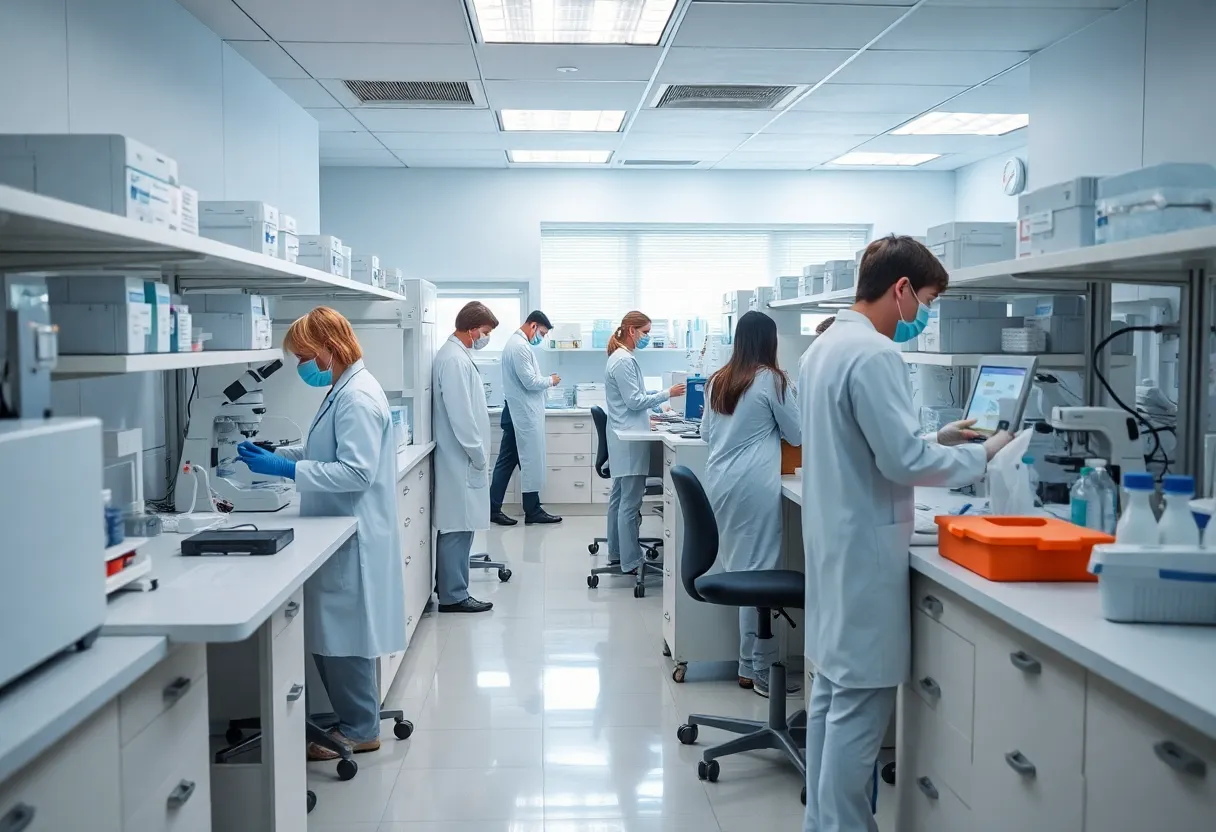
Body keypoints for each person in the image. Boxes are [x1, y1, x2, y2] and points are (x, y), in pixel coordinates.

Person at [798, 235, 1013, 832]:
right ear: (900, 290)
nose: (926, 314)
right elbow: (902, 464)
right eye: (928, 300)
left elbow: (867, 443)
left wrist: (936, 442)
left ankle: (823, 824)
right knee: (858, 710)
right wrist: (985, 455)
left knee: (831, 702)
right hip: (862, 554)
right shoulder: (874, 355)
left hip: (837, 542)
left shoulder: (826, 347)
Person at [237, 306, 403, 760]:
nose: (302, 366)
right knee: (341, 633)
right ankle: (356, 718)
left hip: (354, 532)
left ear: (330, 348)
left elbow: (354, 471)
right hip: (342, 527)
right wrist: (278, 453)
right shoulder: (342, 389)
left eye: (306, 355)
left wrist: (287, 469)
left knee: (344, 636)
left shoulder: (356, 397)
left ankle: (359, 729)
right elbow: (322, 448)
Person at [701, 310, 802, 699]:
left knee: (742, 568)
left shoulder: (719, 380)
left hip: (721, 480)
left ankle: (751, 664)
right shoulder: (772, 380)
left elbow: (707, 433)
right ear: (769, 341)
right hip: (753, 485)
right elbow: (796, 432)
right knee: (758, 571)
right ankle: (757, 668)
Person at [603, 311, 685, 576]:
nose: (647, 337)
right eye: (645, 332)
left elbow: (635, 397)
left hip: (624, 434)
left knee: (619, 500)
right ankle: (631, 562)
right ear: (631, 330)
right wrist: (667, 394)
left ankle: (617, 554)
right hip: (628, 439)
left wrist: (658, 404)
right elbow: (634, 402)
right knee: (629, 503)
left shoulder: (622, 358)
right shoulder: (623, 361)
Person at [432, 301, 499, 614]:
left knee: (460, 526)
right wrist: (477, 453)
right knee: (457, 527)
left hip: (462, 458)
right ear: (473, 329)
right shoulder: (455, 360)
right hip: (461, 457)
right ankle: (454, 595)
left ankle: (449, 587)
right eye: (484, 332)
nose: (485, 338)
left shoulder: (456, 356)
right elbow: (461, 415)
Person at [490, 310, 562, 526]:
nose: (541, 337)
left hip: (517, 412)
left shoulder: (517, 344)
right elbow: (530, 381)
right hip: (518, 415)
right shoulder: (519, 347)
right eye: (541, 332)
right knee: (511, 462)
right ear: (532, 326)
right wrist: (550, 380)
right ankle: (498, 509)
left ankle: (531, 509)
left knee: (523, 462)